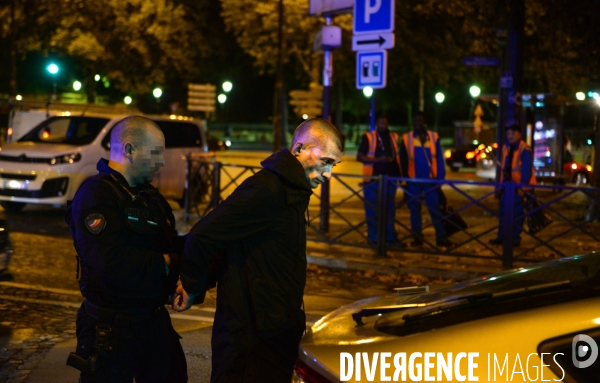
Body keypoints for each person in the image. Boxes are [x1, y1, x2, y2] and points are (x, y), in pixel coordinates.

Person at [172, 118, 344, 383]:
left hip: (273, 336)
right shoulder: (267, 189)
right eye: (326, 161)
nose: (329, 173)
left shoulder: (292, 192)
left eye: (333, 164)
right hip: (248, 345)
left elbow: (232, 240)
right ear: (299, 149)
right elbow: (205, 235)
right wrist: (193, 283)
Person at [65, 115, 187, 382]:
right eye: (156, 153)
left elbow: (168, 243)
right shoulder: (96, 195)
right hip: (110, 330)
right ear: (130, 150)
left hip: (152, 324)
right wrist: (166, 262)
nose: (162, 162)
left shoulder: (150, 196)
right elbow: (111, 262)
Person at [400, 112, 454, 248]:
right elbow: (403, 160)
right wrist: (404, 181)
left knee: (435, 210)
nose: (418, 122)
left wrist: (440, 180)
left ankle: (441, 238)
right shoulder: (407, 138)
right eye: (415, 120)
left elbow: (439, 160)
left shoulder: (434, 137)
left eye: (420, 120)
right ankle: (417, 238)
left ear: (425, 123)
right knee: (414, 211)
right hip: (413, 181)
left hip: (431, 181)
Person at [356, 115, 405, 246]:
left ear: (388, 124)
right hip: (372, 179)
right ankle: (374, 239)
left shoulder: (394, 137)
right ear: (376, 123)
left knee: (389, 211)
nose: (382, 124)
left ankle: (390, 238)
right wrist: (378, 160)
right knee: (372, 210)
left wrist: (399, 176)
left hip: (390, 179)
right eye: (380, 122)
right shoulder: (369, 137)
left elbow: (398, 157)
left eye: (385, 122)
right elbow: (359, 157)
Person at [489, 123, 536, 247]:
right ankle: (501, 237)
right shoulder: (506, 148)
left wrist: (522, 187)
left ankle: (514, 239)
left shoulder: (525, 149)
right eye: (508, 134)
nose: (510, 136)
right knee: (503, 213)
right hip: (507, 186)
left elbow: (526, 171)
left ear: (519, 135)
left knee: (517, 215)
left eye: (513, 133)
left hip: (518, 188)